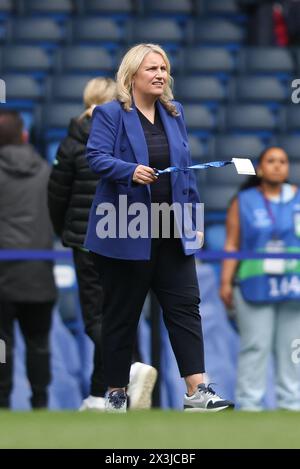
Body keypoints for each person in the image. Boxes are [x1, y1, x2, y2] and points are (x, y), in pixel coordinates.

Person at [85, 43, 234, 412]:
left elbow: (185, 171)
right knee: (122, 315)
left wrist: (193, 222)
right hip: (124, 229)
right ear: (131, 74)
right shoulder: (109, 113)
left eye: (164, 68)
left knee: (186, 308)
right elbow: (96, 157)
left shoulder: (174, 112)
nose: (160, 74)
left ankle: (196, 391)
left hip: (171, 229)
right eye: (151, 68)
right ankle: (117, 392)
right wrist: (128, 171)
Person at [48, 77, 157, 411]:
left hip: (85, 242)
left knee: (98, 315)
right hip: (125, 236)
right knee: (123, 312)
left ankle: (128, 369)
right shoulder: (127, 134)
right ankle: (103, 393)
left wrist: (66, 232)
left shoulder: (72, 140)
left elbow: (56, 195)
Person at [220, 146, 300, 411]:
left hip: (293, 286)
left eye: (282, 161)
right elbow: (232, 244)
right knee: (255, 347)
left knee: (293, 350)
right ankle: (250, 406)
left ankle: (292, 405)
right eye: (271, 161)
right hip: (254, 285)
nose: (277, 165)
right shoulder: (243, 200)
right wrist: (225, 282)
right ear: (261, 168)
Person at [0, 110, 57, 409]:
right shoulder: (47, 171)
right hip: (39, 274)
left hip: (3, 276)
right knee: (39, 345)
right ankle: (40, 404)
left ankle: (3, 406)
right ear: (23, 135)